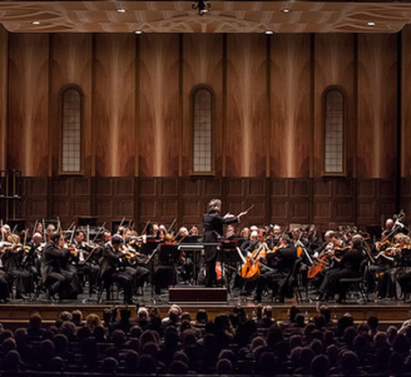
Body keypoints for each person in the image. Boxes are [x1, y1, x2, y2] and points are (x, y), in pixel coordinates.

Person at [202, 199, 247, 287]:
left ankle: (212, 282)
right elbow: (224, 221)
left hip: (207, 239)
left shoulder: (206, 216)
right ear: (217, 207)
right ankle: (209, 284)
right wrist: (238, 217)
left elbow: (219, 221)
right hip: (212, 240)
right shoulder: (215, 217)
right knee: (211, 262)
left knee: (210, 262)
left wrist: (224, 217)